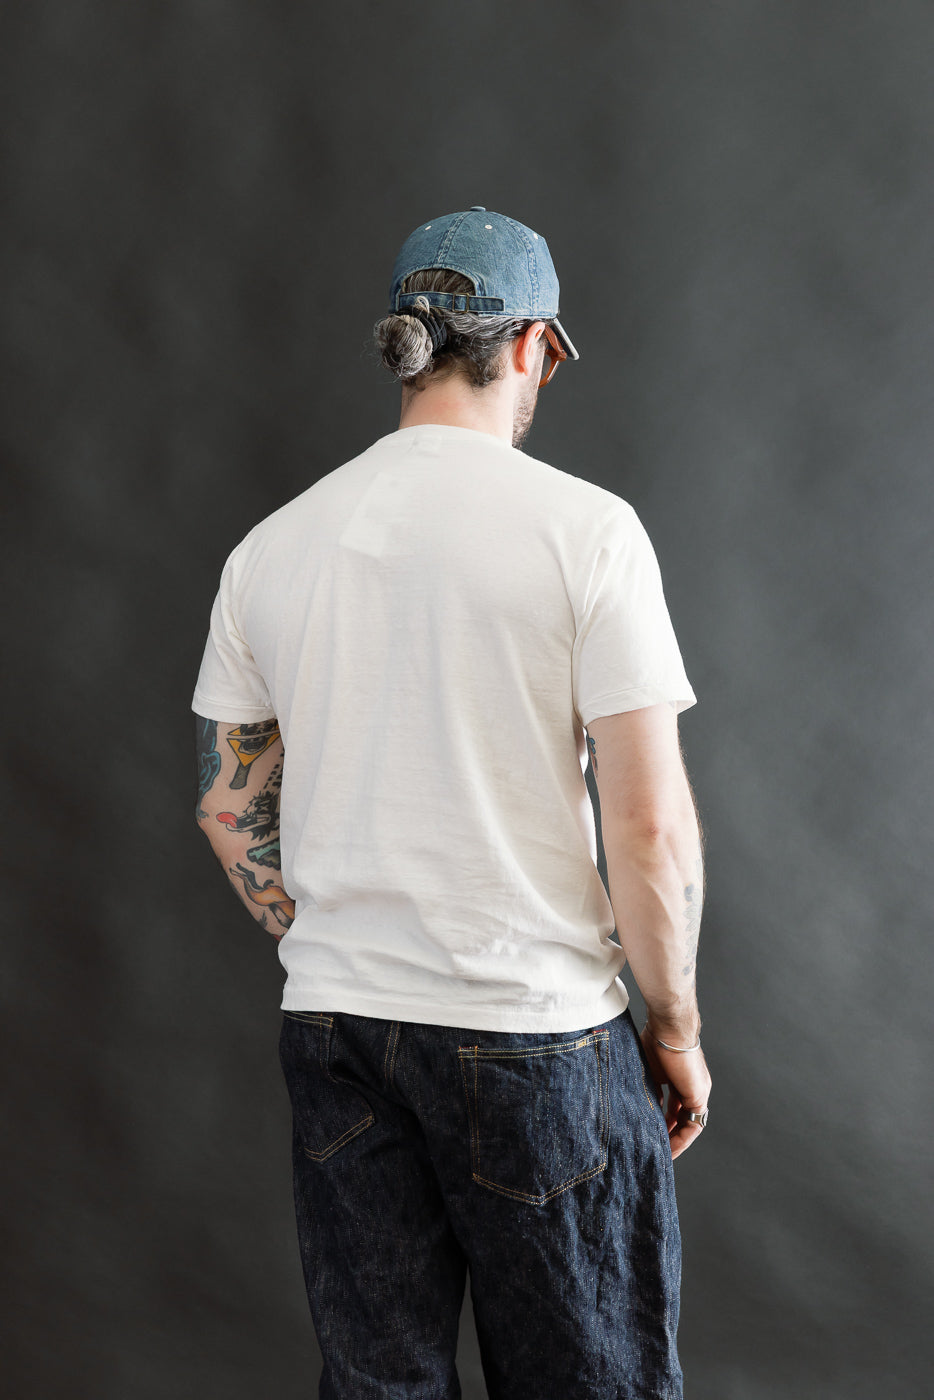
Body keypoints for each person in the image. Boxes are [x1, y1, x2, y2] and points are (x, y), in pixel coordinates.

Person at [192, 206, 711, 1400]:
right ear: (531, 345)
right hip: (534, 1034)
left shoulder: (272, 546)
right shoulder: (589, 534)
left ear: (405, 342)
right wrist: (672, 1029)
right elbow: (649, 830)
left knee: (378, 1383)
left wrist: (338, 935)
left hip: (336, 1029)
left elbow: (229, 807)